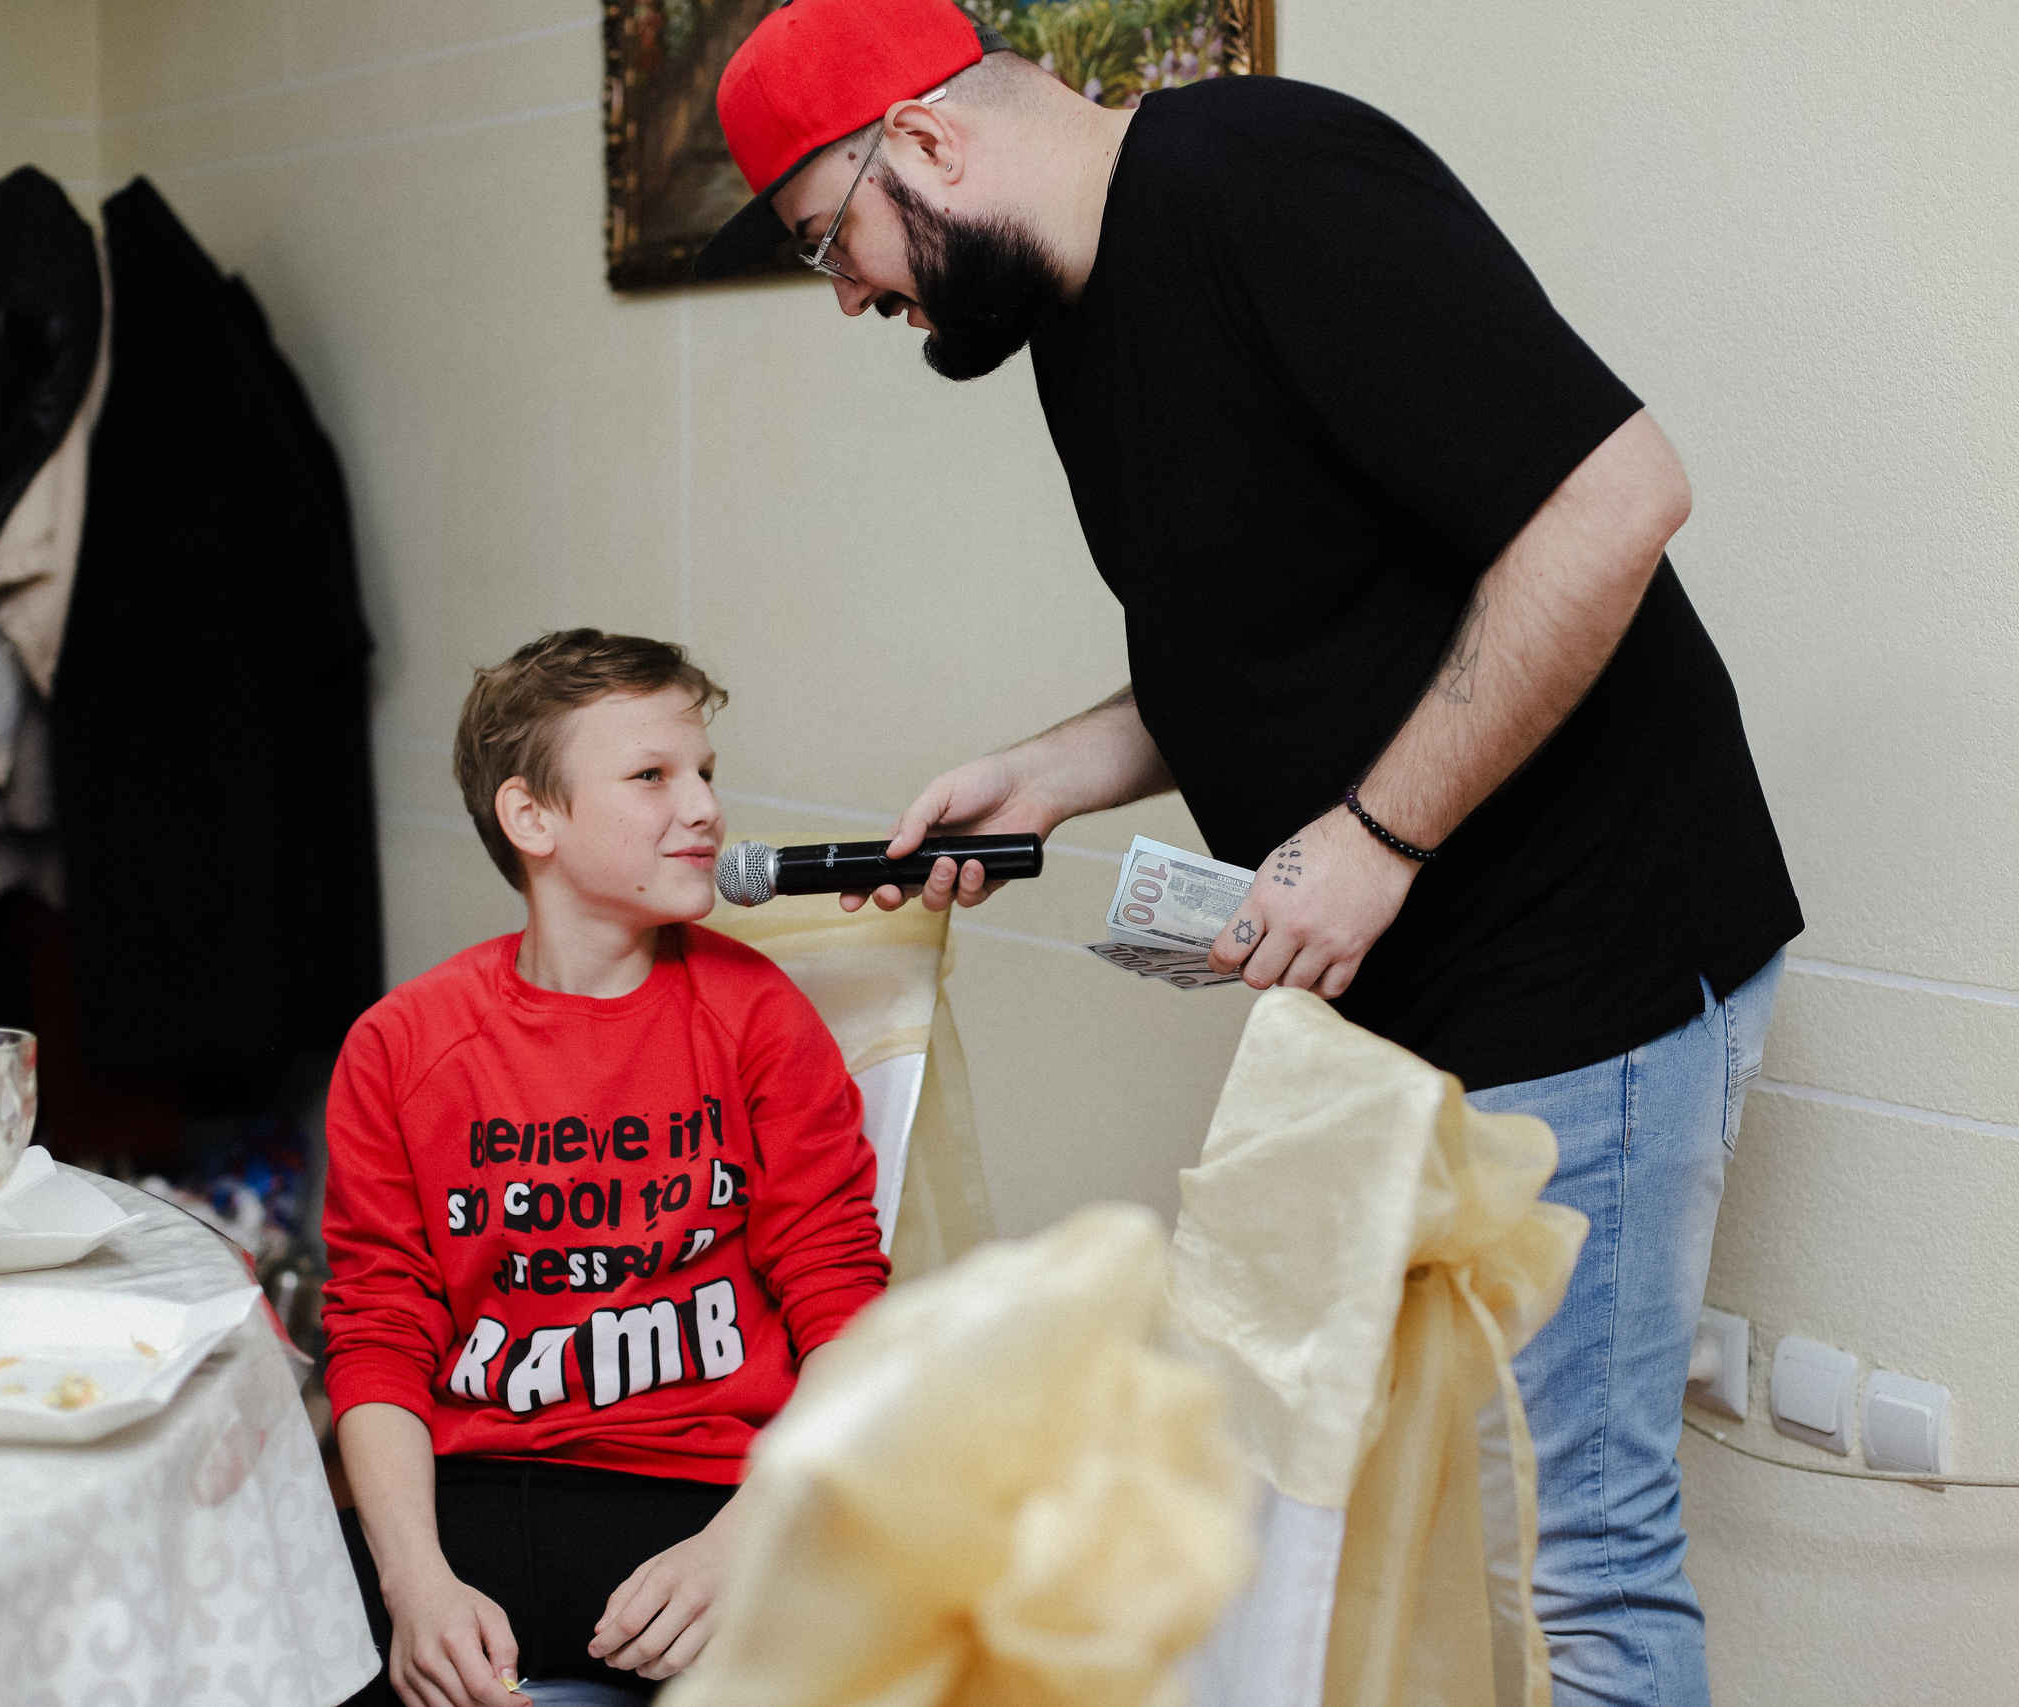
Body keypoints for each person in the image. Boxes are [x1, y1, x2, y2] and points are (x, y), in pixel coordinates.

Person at [696, 6, 1804, 1704]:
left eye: (821, 238)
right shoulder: (1069, 313)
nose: (847, 293)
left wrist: (1376, 833)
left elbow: (1615, 503)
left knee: (1578, 1565)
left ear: (920, 143)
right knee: (1375, 1522)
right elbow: (1269, 627)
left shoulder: (1265, 184)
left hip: (1592, 949)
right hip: (1416, 989)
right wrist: (1045, 773)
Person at [320, 629, 890, 1707]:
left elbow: (844, 1308)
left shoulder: (758, 1018)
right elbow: (379, 1333)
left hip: (707, 1496)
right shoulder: (401, 1047)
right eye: (651, 777)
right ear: (532, 818)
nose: (706, 809)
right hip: (470, 1497)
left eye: (705, 774)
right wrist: (417, 1587)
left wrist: (743, 1544)